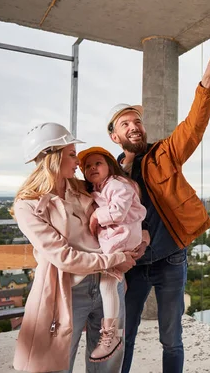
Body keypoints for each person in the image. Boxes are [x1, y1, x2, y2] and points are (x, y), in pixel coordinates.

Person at [107, 40, 210, 373]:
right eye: (125, 124)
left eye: (137, 122)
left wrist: (206, 83)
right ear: (114, 136)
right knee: (123, 336)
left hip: (171, 258)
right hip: (130, 265)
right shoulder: (108, 174)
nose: (135, 127)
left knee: (171, 339)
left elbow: (193, 127)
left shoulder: (164, 153)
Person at [11, 122, 137, 373]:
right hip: (68, 290)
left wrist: (140, 240)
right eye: (71, 154)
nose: (78, 161)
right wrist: (115, 259)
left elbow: (123, 209)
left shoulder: (83, 188)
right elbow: (63, 257)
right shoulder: (27, 205)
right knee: (57, 364)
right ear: (52, 157)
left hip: (108, 283)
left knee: (109, 361)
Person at [76, 146, 149, 362]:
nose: (92, 168)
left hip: (123, 237)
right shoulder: (102, 186)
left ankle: (111, 334)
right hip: (120, 235)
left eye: (97, 163)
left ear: (110, 165)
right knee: (114, 281)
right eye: (87, 166)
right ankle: (119, 292)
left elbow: (117, 212)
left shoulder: (117, 185)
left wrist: (97, 215)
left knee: (107, 280)